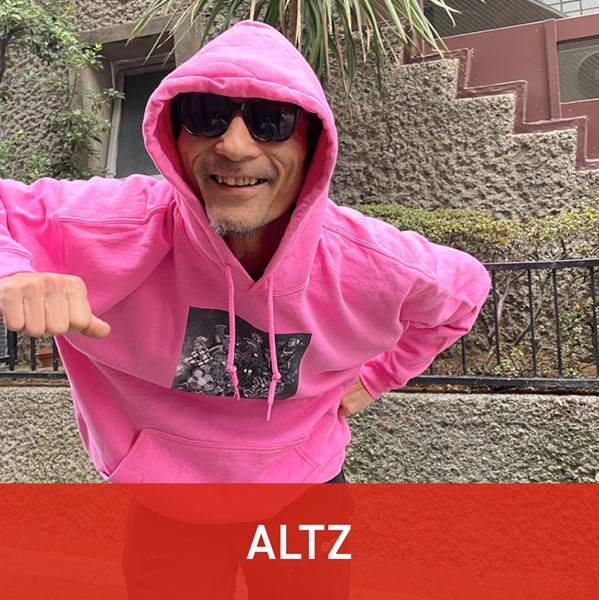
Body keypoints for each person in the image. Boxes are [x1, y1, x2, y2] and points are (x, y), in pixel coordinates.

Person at [0, 20, 489, 487]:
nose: (234, 146)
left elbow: (465, 292)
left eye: (271, 121)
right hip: (164, 501)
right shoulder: (111, 226)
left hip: (304, 492)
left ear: (313, 144)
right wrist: (12, 271)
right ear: (176, 136)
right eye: (203, 115)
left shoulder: (367, 260)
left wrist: (380, 376)